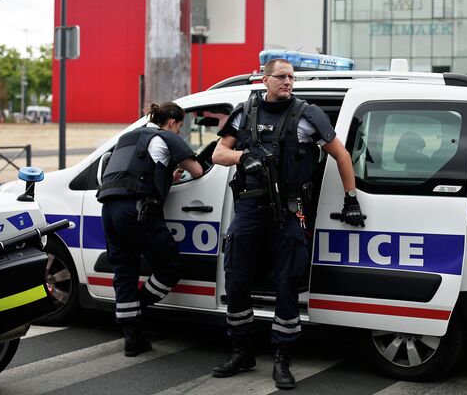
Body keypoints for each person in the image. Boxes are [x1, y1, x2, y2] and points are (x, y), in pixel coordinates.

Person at [211, 58, 364, 390]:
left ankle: (282, 359)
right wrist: (243, 156)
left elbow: (341, 155)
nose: (288, 82)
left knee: (286, 284)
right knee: (236, 278)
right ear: (265, 80)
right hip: (249, 209)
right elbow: (218, 154)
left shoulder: (307, 114)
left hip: (289, 210)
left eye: (291, 77)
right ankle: (242, 352)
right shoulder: (245, 111)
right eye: (281, 77)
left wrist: (351, 198)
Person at [97, 102, 203, 357]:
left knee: (125, 271)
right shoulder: (165, 136)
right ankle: (142, 307)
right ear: (171, 123)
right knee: (170, 266)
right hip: (138, 210)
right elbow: (198, 170)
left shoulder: (128, 137)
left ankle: (132, 337)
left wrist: (166, 176)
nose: (179, 132)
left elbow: (134, 170)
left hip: (109, 209)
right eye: (180, 126)